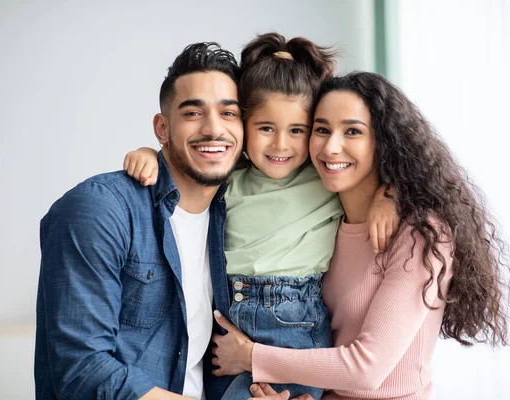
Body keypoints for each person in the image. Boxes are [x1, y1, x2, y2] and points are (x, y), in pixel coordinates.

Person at [123, 34, 398, 400]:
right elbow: (185, 161)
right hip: (229, 321)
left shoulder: (322, 179)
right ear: (244, 125)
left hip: (294, 326)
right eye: (266, 128)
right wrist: (149, 153)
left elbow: (384, 172)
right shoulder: (229, 177)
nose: (281, 144)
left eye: (297, 131)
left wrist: (390, 195)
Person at [210, 72, 510, 400]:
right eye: (322, 130)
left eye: (352, 131)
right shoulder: (323, 219)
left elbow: (366, 369)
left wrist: (251, 357)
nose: (331, 147)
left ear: (385, 141)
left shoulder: (421, 236)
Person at [35, 42, 244, 400]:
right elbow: (83, 371)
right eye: (193, 113)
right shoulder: (98, 210)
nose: (214, 129)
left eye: (229, 113)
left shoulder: (237, 214)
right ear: (162, 129)